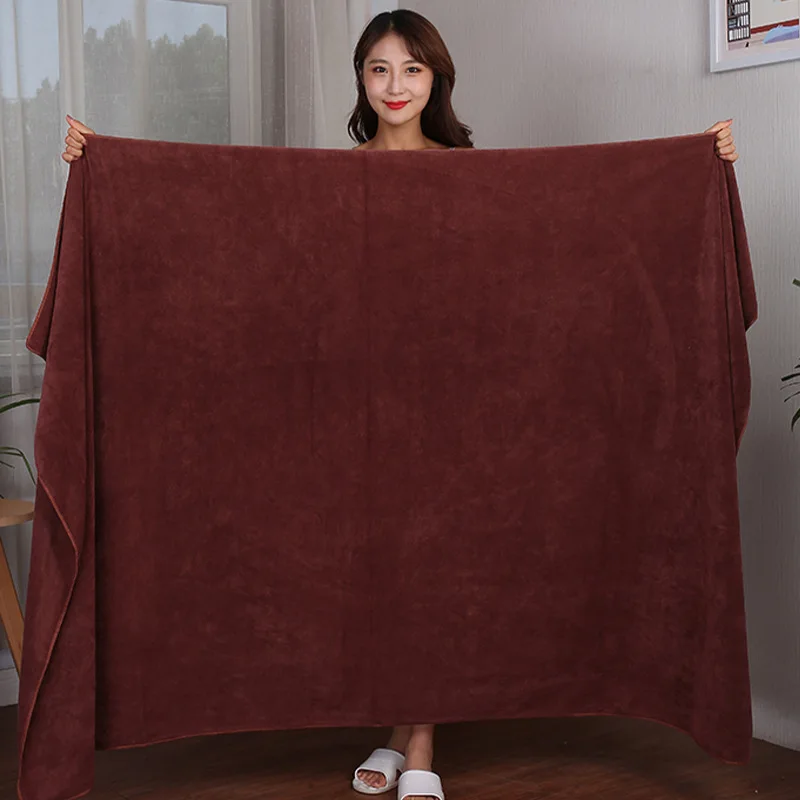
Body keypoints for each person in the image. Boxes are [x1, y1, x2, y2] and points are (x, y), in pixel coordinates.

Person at [61, 9, 740, 800]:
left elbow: (562, 250)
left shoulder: (475, 178)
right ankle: (398, 735)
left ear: (437, 79)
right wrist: (105, 166)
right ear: (359, 78)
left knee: (431, 573)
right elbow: (244, 251)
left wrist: (698, 164)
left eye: (412, 69)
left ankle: (418, 745)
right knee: (377, 577)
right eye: (379, 68)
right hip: (353, 414)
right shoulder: (329, 180)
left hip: (451, 414)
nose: (395, 85)